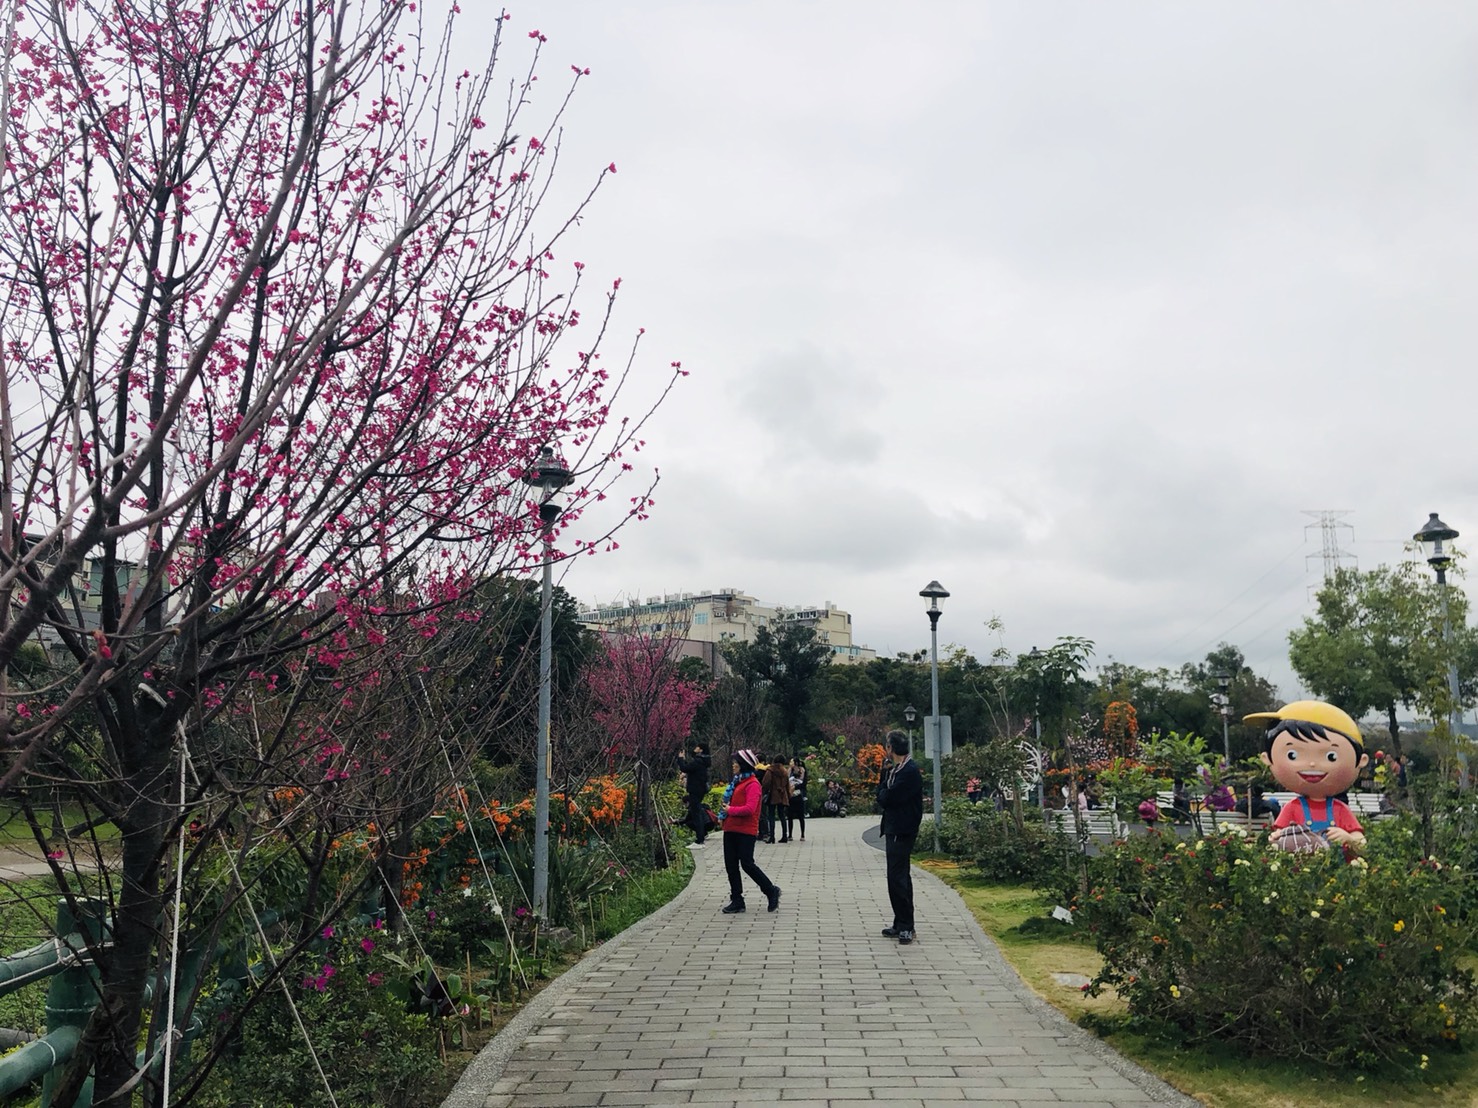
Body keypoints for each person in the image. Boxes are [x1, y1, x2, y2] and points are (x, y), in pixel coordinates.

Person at [1245, 700, 1368, 854]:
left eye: (1331, 756)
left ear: (1361, 761)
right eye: (1293, 755)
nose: (1311, 764)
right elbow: (1277, 836)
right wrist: (1277, 837)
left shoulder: (1340, 809)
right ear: (1267, 758)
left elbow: (1362, 843)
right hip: (1300, 870)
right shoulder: (1292, 808)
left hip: (1336, 872)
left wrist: (1348, 838)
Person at [717, 749, 781, 914]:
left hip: (745, 830)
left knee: (747, 864)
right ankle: (737, 900)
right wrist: (723, 815)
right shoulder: (737, 782)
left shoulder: (753, 785)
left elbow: (750, 809)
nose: (733, 765)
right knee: (731, 865)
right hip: (730, 828)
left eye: (736, 763)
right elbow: (729, 800)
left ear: (743, 765)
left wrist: (730, 810)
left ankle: (770, 890)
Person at [875, 729, 923, 944]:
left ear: (891, 748)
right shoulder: (897, 770)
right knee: (897, 877)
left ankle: (906, 925)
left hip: (902, 829)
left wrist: (884, 783)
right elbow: (883, 796)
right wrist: (884, 778)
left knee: (898, 878)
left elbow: (886, 798)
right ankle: (900, 922)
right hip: (895, 828)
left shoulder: (908, 771)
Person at [677, 742, 711, 848]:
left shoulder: (698, 762)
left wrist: (680, 758)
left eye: (697, 747)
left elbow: (684, 768)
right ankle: (701, 836)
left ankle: (699, 840)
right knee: (695, 812)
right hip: (700, 790)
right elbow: (690, 768)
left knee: (696, 814)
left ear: (700, 750)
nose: (694, 748)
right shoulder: (703, 761)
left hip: (695, 790)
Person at [764, 755, 793, 843]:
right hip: (782, 795)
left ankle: (772, 836)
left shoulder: (770, 770)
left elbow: (766, 782)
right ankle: (784, 835)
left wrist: (764, 791)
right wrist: (788, 795)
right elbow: (787, 784)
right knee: (782, 816)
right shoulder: (784, 771)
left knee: (771, 816)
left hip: (772, 795)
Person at [788, 756, 808, 842]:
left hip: (799, 795)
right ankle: (790, 834)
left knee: (801, 816)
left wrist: (795, 786)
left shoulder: (802, 770)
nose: (790, 763)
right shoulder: (790, 771)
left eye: (792, 762)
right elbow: (786, 780)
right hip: (791, 796)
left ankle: (802, 834)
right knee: (789, 816)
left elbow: (804, 784)